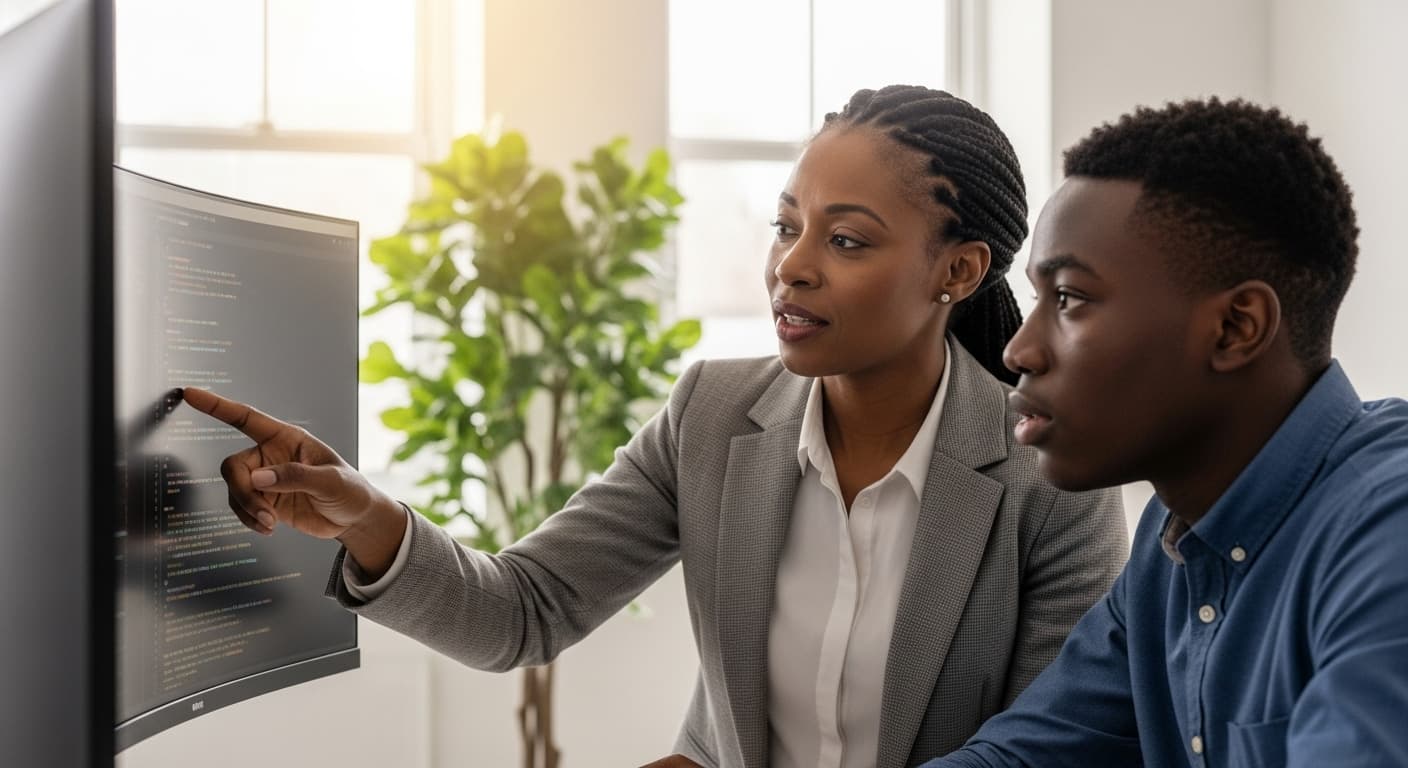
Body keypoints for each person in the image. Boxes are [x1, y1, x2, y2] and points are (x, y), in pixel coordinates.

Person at [183, 85, 1127, 768]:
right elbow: (521, 612)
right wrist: (364, 515)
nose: (790, 268)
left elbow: (1056, 749)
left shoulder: (1050, 473)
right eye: (784, 224)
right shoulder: (713, 417)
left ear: (958, 272)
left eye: (845, 240)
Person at [920, 98, 1408, 768]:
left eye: (1068, 299)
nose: (1018, 350)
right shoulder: (1171, 541)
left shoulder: (1389, 528)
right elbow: (1023, 756)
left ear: (1236, 328)